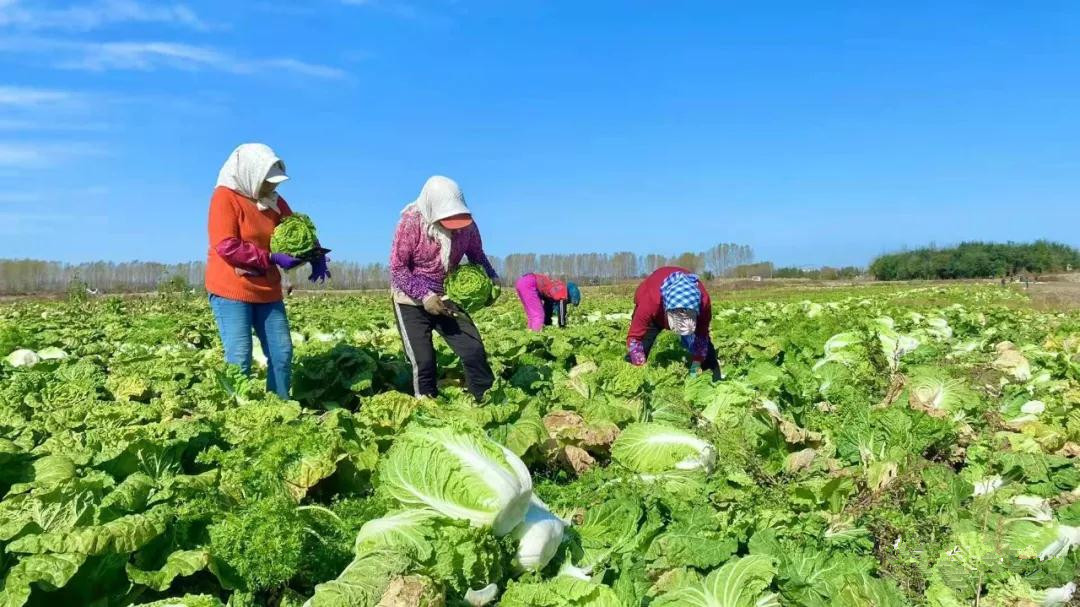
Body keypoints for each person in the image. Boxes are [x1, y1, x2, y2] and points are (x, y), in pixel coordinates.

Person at [205, 143, 330, 398]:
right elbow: (226, 246)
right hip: (231, 289)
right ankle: (236, 412)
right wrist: (271, 257)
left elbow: (297, 228)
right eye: (267, 181)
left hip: (267, 289)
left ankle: (279, 405)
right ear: (251, 174)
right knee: (239, 357)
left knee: (281, 352)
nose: (272, 187)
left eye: (274, 183)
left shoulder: (275, 201)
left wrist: (315, 254)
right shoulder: (225, 197)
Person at [390, 176, 499, 401]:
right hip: (410, 300)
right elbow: (398, 268)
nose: (454, 225)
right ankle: (426, 406)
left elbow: (477, 255)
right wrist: (424, 296)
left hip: (446, 296)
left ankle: (487, 400)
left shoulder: (467, 225)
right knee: (424, 361)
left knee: (473, 349)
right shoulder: (411, 222)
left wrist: (492, 278)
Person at [626, 266, 720, 377]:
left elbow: (702, 335)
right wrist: (640, 368)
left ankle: (715, 379)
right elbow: (634, 338)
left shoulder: (703, 303)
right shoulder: (650, 302)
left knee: (708, 356)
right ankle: (630, 376)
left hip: (683, 310)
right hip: (655, 307)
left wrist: (696, 364)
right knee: (640, 349)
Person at [515, 273, 581, 331]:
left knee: (532, 316)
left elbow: (548, 310)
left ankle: (530, 334)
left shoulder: (555, 288)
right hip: (530, 283)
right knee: (538, 315)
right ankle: (535, 338)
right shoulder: (562, 292)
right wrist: (562, 327)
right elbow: (562, 311)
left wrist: (547, 324)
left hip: (522, 281)